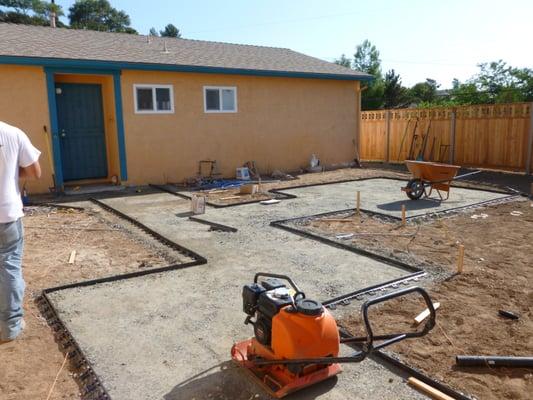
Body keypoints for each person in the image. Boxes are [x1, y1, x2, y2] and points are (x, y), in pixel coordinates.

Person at [0, 121, 41, 342]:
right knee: (8, 266)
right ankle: (10, 326)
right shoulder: (13, 133)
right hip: (6, 214)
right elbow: (35, 172)